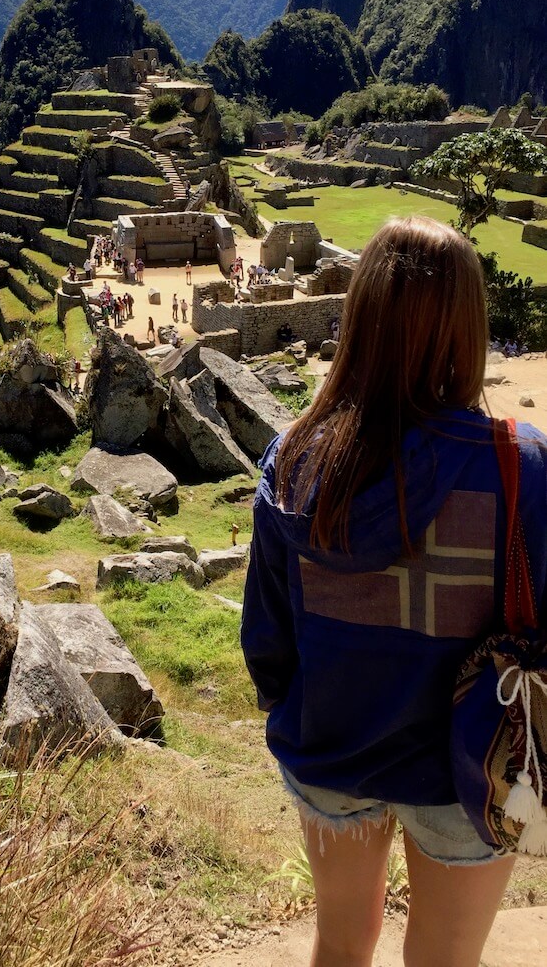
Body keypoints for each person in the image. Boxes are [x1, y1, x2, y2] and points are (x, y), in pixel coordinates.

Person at [241, 217, 547, 967]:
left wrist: (297, 710)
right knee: (445, 958)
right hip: (470, 768)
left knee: (341, 942)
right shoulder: (521, 467)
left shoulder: (299, 461)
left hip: (332, 749)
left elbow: (267, 639)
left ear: (362, 318)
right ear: (468, 326)